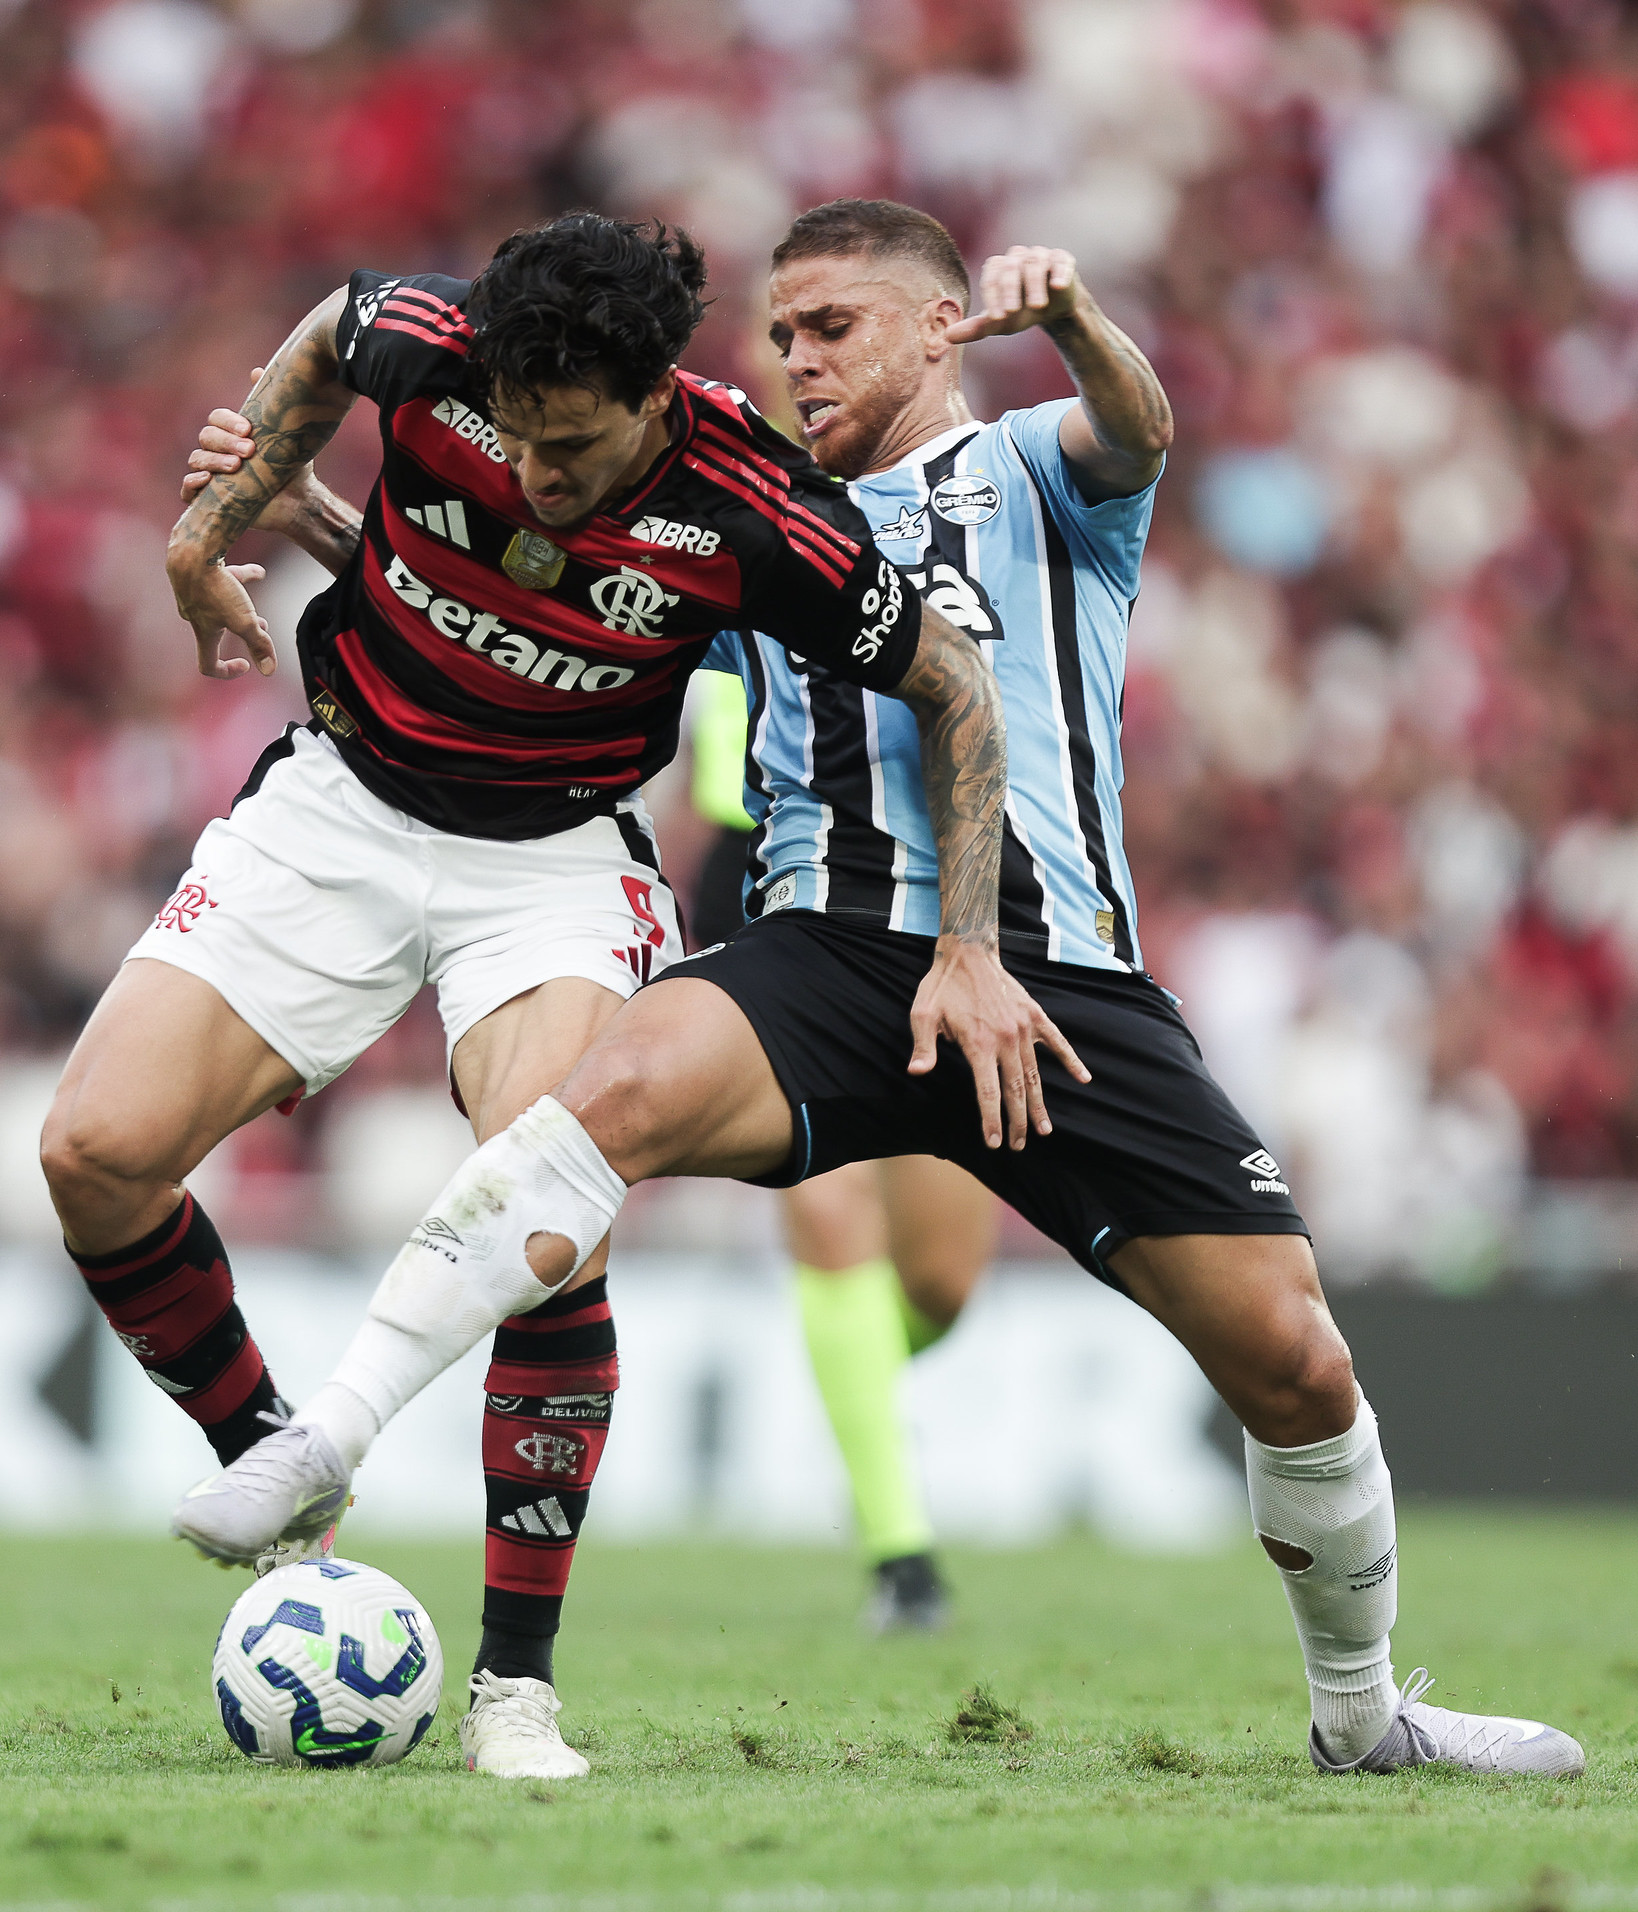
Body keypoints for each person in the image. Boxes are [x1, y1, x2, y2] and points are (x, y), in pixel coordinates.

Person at [180, 199, 1585, 1781]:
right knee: (602, 1098)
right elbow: (532, 620)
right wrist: (306, 515)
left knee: (1297, 1360)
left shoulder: (1035, 473)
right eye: (779, 336)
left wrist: (1075, 319)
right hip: (832, 953)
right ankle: (326, 1439)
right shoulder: (741, 515)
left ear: (937, 328)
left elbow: (1140, 425)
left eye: (831, 327)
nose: (795, 361)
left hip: (1058, 984)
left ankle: (1359, 1716)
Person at [43, 211, 1042, 1781]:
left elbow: (952, 684)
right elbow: (315, 347)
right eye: (513, 436)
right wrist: (205, 536)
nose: (537, 477)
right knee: (90, 1155)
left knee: (544, 1203)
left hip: (551, 861)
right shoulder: (424, 342)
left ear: (655, 393)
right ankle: (279, 1470)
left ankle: (515, 1687)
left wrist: (968, 946)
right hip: (339, 805)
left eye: (571, 447)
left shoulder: (754, 507)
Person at [690, 672, 998, 1630]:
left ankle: (855, 1400)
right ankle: (903, 1560)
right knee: (829, 1211)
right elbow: (709, 759)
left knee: (940, 1285)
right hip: (780, 883)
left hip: (938, 903)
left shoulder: (954, 554)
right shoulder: (757, 540)